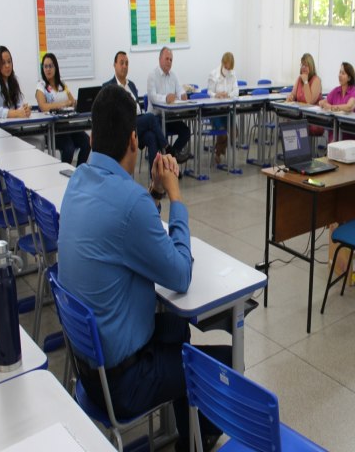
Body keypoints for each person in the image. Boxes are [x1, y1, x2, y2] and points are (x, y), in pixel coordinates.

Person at [57, 85, 228, 452]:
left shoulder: (77, 184)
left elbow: (129, 238)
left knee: (179, 327)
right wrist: (176, 196)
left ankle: (190, 434)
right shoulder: (128, 201)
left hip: (90, 374)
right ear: (134, 140)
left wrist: (153, 192)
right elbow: (180, 274)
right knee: (222, 362)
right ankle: (197, 441)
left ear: (91, 137)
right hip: (123, 387)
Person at [104, 51, 167, 176]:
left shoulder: (131, 85)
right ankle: (167, 148)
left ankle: (155, 179)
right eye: (121, 63)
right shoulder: (108, 87)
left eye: (127, 63)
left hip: (137, 124)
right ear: (114, 65)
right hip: (123, 127)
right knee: (150, 117)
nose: (124, 66)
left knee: (151, 137)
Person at [35, 52, 91, 165]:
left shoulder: (62, 84)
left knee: (87, 142)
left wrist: (74, 103)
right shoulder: (41, 86)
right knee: (69, 148)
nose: (48, 69)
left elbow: (72, 101)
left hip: (67, 126)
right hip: (52, 129)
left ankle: (78, 172)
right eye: (45, 66)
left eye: (50, 66)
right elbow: (43, 106)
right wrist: (62, 104)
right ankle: (65, 177)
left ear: (55, 67)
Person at [147, 47, 191, 163]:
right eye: (167, 59)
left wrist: (182, 95)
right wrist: (165, 98)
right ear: (160, 59)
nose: (169, 62)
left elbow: (179, 89)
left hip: (169, 117)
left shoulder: (173, 75)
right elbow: (152, 97)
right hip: (155, 117)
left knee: (186, 131)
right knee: (162, 133)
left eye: (171, 60)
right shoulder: (152, 75)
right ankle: (171, 161)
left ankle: (172, 158)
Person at [206, 52, 239, 164]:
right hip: (215, 111)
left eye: (229, 67)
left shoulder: (232, 74)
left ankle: (218, 149)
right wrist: (217, 95)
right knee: (222, 133)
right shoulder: (213, 74)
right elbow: (209, 92)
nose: (227, 69)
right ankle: (218, 153)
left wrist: (228, 95)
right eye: (226, 67)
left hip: (226, 109)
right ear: (222, 63)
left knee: (234, 132)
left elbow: (236, 91)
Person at [0, 46, 31, 119]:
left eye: (9, 62)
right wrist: (16, 113)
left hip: (13, 124)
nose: (7, 66)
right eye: (3, 63)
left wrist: (25, 110)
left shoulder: (14, 79)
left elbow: (19, 106)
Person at [318, 62, 355, 142]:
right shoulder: (336, 90)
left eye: (343, 73)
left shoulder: (354, 91)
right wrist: (325, 104)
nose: (340, 75)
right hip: (335, 129)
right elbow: (321, 102)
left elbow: (349, 107)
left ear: (349, 78)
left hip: (348, 131)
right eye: (340, 72)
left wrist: (332, 107)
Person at [286, 52, 324, 137]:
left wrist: (306, 82)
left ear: (311, 66)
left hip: (314, 119)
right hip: (301, 116)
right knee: (289, 123)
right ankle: (296, 149)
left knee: (297, 125)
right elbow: (293, 94)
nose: (304, 68)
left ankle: (304, 149)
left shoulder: (316, 80)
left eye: (306, 65)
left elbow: (309, 101)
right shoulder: (299, 79)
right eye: (302, 65)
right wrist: (291, 97)